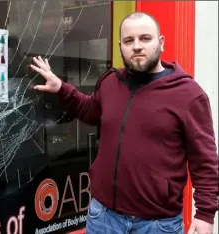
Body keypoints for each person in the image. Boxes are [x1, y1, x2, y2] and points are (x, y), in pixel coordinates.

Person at [30, 12, 218, 234]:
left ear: (161, 42)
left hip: (157, 225)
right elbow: (91, 111)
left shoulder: (188, 95)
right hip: (103, 218)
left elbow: (204, 160)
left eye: (145, 38)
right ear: (121, 46)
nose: (136, 46)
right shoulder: (110, 82)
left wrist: (205, 214)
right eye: (129, 41)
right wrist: (62, 88)